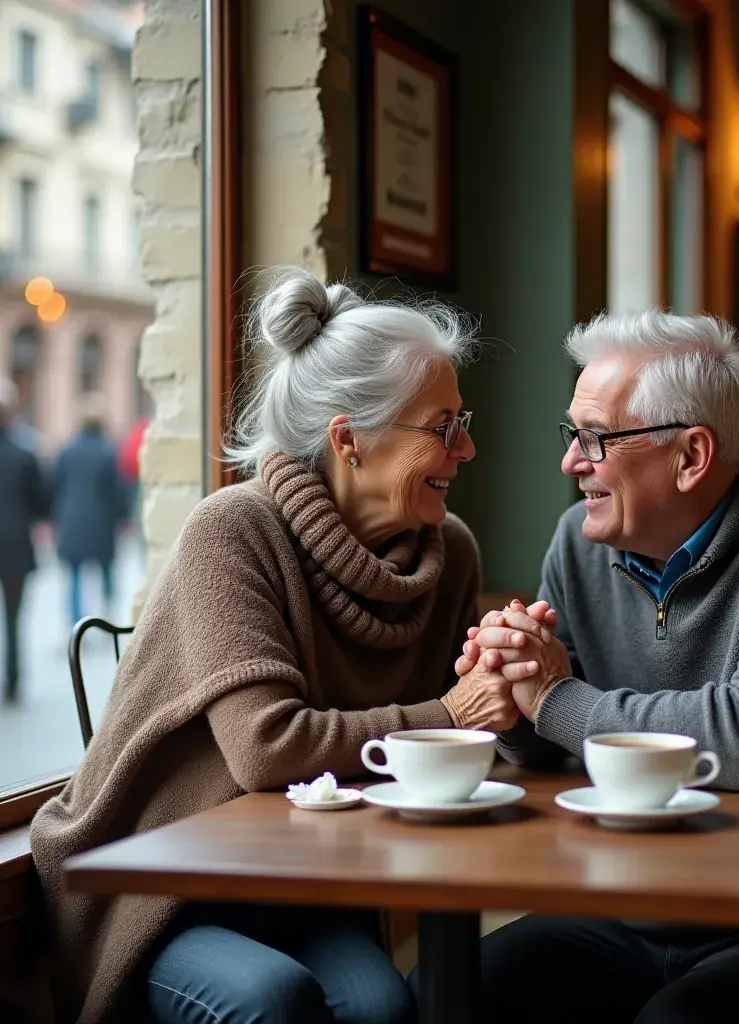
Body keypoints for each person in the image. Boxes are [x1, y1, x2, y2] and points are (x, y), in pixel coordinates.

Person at [31, 267, 515, 1024]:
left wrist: (514, 677)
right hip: (160, 880)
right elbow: (268, 748)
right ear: (349, 437)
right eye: (443, 426)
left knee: (385, 1006)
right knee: (272, 1000)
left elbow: (463, 731)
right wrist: (453, 713)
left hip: (300, 876)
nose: (469, 448)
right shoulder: (233, 531)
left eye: (464, 420)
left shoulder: (448, 553)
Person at [449, 311, 739, 1023]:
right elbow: (552, 736)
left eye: (595, 439)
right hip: (629, 906)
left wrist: (553, 696)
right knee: (448, 993)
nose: (571, 462)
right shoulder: (578, 542)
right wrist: (513, 693)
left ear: (692, 455)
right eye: (571, 435)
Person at [51, 395, 127, 625]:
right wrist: (122, 518)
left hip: (71, 521)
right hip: (101, 522)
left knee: (74, 575)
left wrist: (54, 519)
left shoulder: (66, 450)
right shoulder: (108, 451)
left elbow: (55, 487)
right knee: (106, 570)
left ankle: (76, 624)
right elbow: (117, 490)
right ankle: (107, 616)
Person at [0, 377, 48, 705]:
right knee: (14, 618)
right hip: (15, 545)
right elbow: (40, 503)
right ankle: (13, 682)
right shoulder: (24, 455)